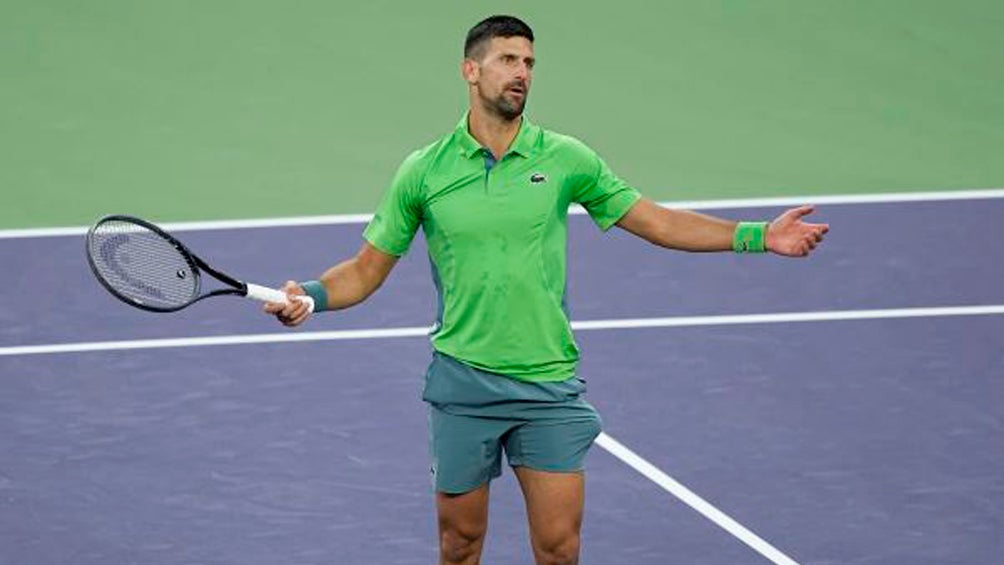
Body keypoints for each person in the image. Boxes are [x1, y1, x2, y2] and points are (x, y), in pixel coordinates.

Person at [265, 15, 828, 565]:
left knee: (560, 550)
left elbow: (654, 221)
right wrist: (312, 295)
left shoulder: (565, 158)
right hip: (464, 381)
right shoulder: (424, 171)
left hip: (548, 386)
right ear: (470, 70)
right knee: (459, 546)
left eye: (529, 62)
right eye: (508, 60)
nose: (522, 73)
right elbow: (366, 269)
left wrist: (757, 236)